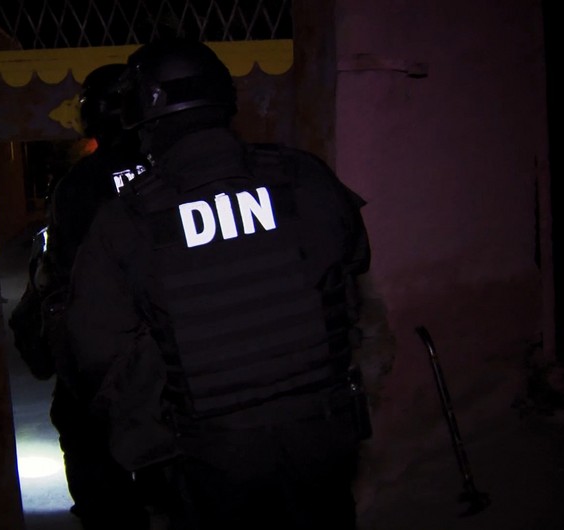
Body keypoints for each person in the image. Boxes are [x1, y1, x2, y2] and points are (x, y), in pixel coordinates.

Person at [63, 38, 372, 530]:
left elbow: (96, 348)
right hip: (324, 435)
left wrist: (152, 435)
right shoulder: (303, 176)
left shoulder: (127, 218)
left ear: (145, 112)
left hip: (214, 455)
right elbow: (354, 263)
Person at [8, 63, 153, 530]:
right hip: (174, 343)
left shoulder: (79, 185)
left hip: (101, 350)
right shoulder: (171, 170)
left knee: (90, 449)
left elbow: (65, 275)